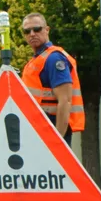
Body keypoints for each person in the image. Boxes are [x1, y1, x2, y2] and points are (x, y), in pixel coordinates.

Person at [20, 13, 85, 144]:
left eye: (37, 29)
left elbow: (65, 101)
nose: (32, 34)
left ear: (47, 30)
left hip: (51, 129)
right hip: (40, 129)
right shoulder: (37, 60)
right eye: (27, 31)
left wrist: (58, 140)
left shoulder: (54, 58)